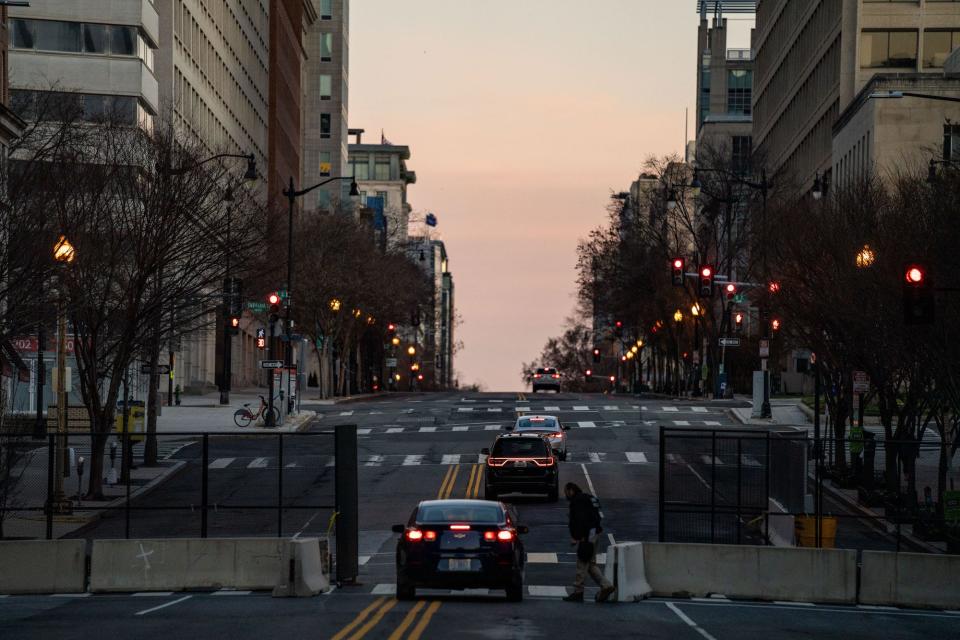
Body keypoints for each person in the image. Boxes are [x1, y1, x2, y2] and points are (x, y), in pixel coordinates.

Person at [563, 482, 615, 602]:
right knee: (590, 564)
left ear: (571, 490)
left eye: (566, 492)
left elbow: (580, 520)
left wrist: (578, 537)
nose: (566, 495)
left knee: (582, 562)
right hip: (595, 532)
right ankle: (606, 585)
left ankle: (578, 591)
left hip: (587, 535)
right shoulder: (588, 498)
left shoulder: (577, 501)